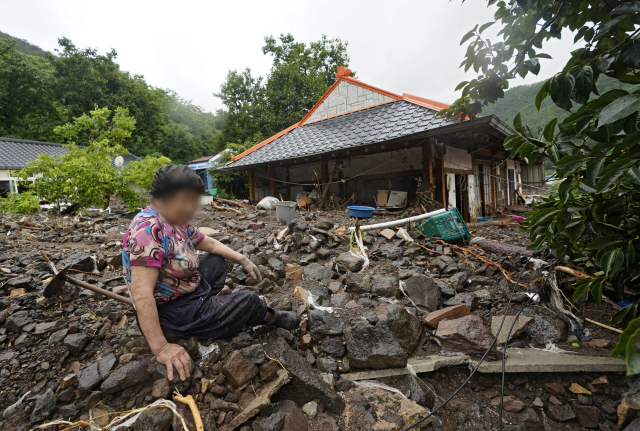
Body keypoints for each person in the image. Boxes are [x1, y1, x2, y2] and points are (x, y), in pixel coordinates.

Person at [122, 165, 300, 382]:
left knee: (216, 261)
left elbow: (210, 243)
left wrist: (242, 259)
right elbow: (141, 295)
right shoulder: (148, 231)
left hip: (185, 291)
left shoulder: (175, 221)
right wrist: (161, 348)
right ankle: (267, 316)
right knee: (249, 300)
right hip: (171, 313)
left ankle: (209, 307)